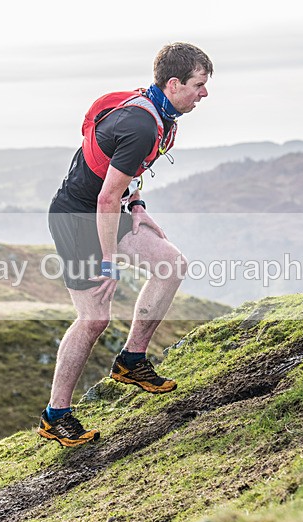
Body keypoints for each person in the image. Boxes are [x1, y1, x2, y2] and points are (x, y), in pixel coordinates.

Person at [39, 42, 213, 446]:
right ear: (174, 83)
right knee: (94, 319)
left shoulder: (163, 115)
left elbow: (125, 176)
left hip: (109, 208)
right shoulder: (141, 123)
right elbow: (103, 198)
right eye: (199, 85)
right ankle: (55, 415)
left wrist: (137, 205)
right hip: (78, 217)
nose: (204, 93)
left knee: (171, 264)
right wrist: (109, 263)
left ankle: (131, 360)